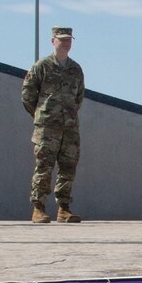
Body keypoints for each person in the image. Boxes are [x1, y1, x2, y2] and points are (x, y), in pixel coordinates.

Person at [19, 26, 85, 224]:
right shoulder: (42, 66)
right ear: (53, 41)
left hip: (69, 126)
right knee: (44, 165)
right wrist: (41, 115)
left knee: (68, 166)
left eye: (68, 39)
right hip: (47, 127)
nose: (66, 43)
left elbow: (79, 97)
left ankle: (63, 208)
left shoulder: (75, 69)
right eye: (61, 39)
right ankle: (38, 208)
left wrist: (68, 115)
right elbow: (27, 94)